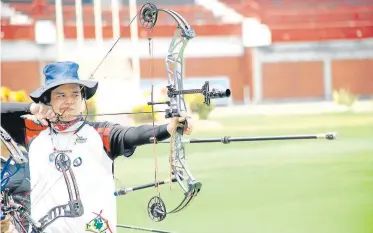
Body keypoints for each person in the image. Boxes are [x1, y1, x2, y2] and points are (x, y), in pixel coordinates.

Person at [0, 61, 193, 233]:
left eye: (75, 94)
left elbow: (133, 134)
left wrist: (169, 128)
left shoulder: (100, 134)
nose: (69, 100)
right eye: (61, 95)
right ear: (47, 100)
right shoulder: (32, 132)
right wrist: (31, 108)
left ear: (83, 99)